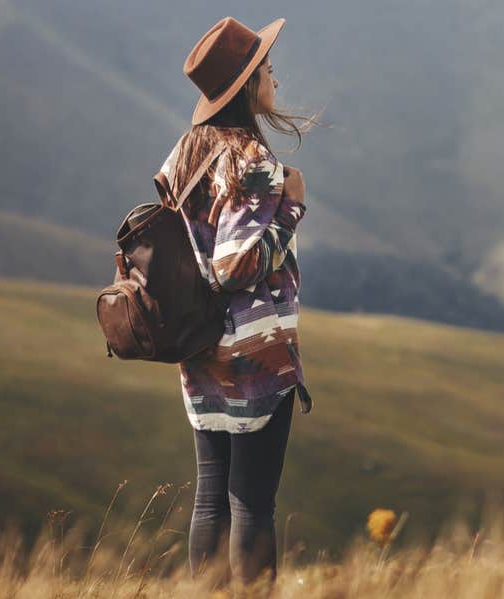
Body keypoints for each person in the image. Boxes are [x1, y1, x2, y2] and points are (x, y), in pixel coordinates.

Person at [159, 16, 316, 586]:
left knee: (210, 502)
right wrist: (292, 207)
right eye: (267, 69)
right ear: (249, 86)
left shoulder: (185, 154)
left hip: (198, 347)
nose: (275, 77)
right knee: (252, 504)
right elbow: (234, 265)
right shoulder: (251, 163)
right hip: (253, 354)